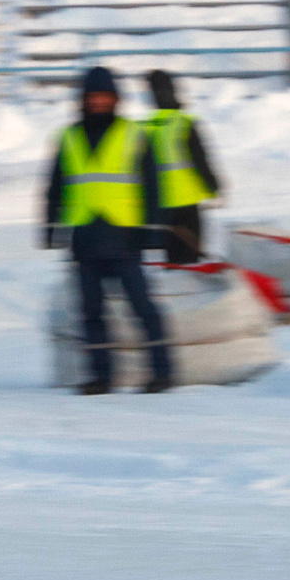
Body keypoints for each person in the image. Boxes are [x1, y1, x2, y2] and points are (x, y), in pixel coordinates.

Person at [44, 66, 172, 395]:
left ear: (115, 99)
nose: (98, 102)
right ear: (83, 100)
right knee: (90, 312)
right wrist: (50, 227)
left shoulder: (134, 134)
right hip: (84, 237)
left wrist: (151, 231)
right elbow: (55, 187)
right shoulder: (68, 137)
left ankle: (162, 372)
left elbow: (152, 186)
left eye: (104, 96)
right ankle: (101, 376)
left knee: (142, 307)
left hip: (124, 237)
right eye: (93, 97)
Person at [141, 69, 221, 265]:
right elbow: (200, 160)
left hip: (160, 203)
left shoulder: (146, 127)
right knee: (191, 254)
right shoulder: (185, 123)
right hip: (187, 202)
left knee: (172, 255)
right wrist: (213, 187)